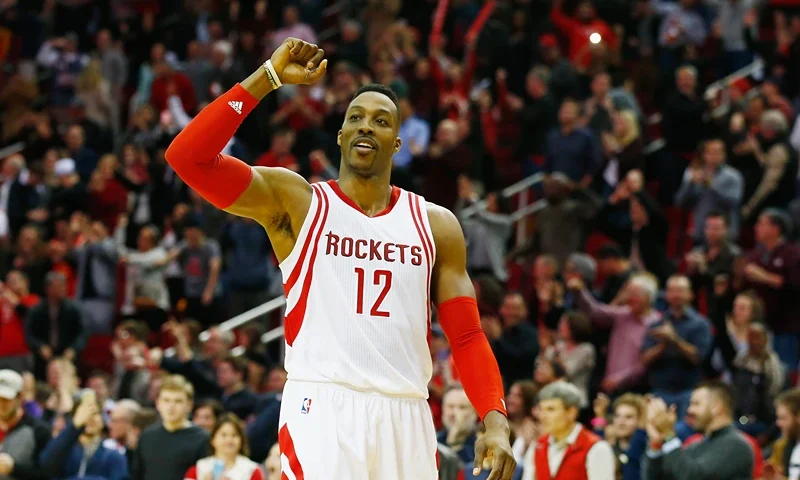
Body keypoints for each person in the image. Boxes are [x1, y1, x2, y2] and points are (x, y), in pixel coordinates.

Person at [164, 38, 514, 479]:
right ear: (340, 135)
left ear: (397, 143)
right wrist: (267, 78)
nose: (367, 126)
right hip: (323, 407)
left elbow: (466, 337)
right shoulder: (298, 202)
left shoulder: (436, 225)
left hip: (406, 414)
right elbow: (187, 158)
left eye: (381, 121)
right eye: (356, 118)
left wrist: (495, 420)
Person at [644, 380, 754, 479]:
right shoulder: (696, 446)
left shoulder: (737, 446)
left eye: (696, 404)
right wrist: (656, 444)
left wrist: (668, 434)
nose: (689, 410)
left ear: (716, 407)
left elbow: (692, 476)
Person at [522, 381, 616, 480]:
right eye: (542, 409)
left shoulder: (596, 448)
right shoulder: (537, 446)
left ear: (571, 412)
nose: (542, 416)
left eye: (550, 409)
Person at [132, 375, 209, 480]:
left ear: (189, 405)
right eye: (166, 400)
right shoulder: (146, 436)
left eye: (178, 401)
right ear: (158, 403)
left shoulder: (203, 438)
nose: (171, 406)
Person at [184, 413, 264, 480]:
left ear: (241, 440)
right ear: (212, 439)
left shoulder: (252, 470)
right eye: (223, 435)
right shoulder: (198, 470)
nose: (229, 440)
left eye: (234, 435)